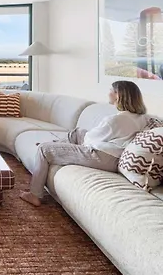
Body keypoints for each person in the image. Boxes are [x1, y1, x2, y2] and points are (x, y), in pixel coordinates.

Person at [20, 80, 148, 207]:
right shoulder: (141, 118)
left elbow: (91, 139)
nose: (108, 93)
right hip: (113, 154)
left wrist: (80, 146)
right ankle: (55, 146)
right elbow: (95, 136)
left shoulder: (115, 120)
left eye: (111, 91)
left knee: (43, 149)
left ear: (118, 95)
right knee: (78, 132)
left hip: (101, 156)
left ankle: (35, 195)